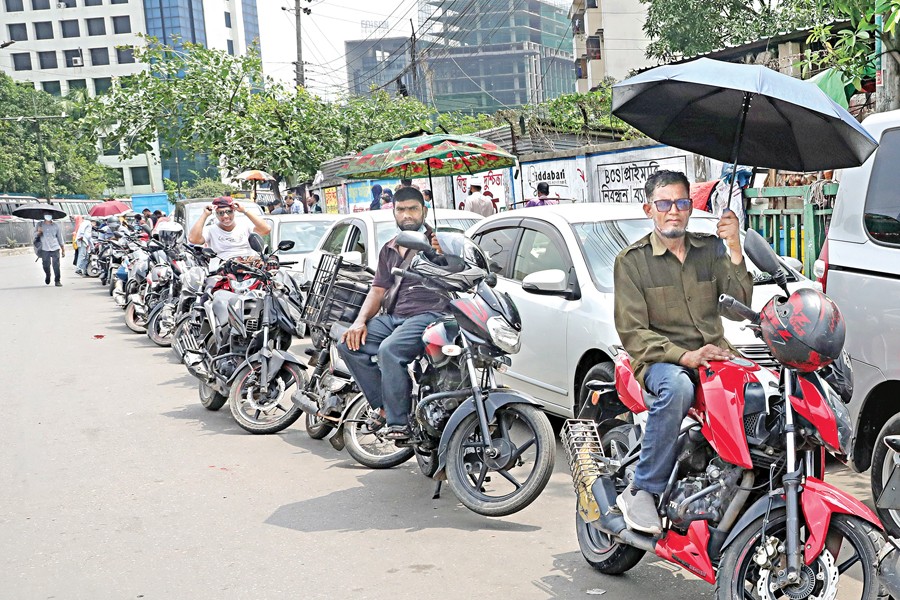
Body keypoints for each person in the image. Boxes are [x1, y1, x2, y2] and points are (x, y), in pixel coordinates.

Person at [612, 170, 752, 535]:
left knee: (760, 390)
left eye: (681, 203)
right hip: (660, 361)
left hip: (713, 354)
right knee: (677, 388)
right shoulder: (632, 262)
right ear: (649, 209)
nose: (673, 211)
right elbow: (632, 332)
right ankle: (644, 488)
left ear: (691, 208)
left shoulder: (710, 250)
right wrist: (682, 355)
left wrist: (735, 250)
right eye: (664, 203)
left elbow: (739, 305)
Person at [337, 187, 445, 440]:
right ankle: (386, 406)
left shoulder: (438, 242)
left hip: (429, 315)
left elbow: (459, 270)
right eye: (401, 209)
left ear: (424, 211)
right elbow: (377, 290)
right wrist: (360, 321)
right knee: (348, 344)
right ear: (394, 213)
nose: (407, 214)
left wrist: (442, 254)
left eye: (413, 209)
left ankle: (399, 423)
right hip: (394, 316)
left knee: (390, 350)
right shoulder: (389, 248)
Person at [187, 196, 271, 260]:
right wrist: (204, 214)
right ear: (215, 214)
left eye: (229, 212)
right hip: (221, 273)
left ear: (234, 211)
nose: (225, 216)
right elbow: (193, 239)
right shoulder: (210, 230)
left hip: (247, 268)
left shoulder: (245, 225)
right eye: (220, 213)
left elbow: (266, 229)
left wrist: (245, 211)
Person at [34, 212, 65, 286]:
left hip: (55, 247)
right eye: (47, 214)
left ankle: (57, 280)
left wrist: (63, 249)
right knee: (46, 265)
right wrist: (39, 232)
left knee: (56, 265)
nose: (48, 216)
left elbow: (60, 238)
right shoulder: (39, 225)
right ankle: (48, 275)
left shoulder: (56, 226)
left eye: (50, 215)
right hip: (44, 248)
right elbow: (34, 235)